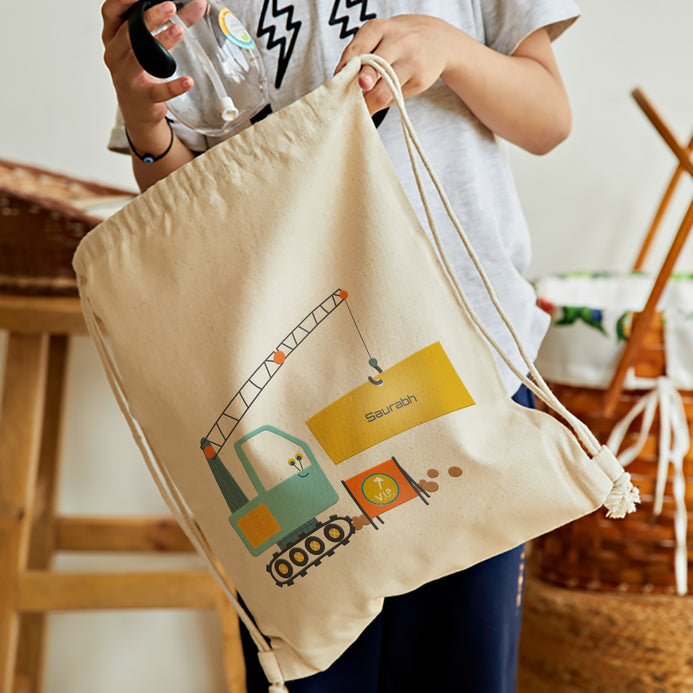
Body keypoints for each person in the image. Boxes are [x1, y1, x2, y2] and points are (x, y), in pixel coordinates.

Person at [100, 1, 579, 690]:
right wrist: (146, 124)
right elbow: (195, 206)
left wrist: (451, 49)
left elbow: (548, 118)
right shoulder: (189, 9)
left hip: (469, 373)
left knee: (459, 666)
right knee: (312, 665)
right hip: (289, 405)